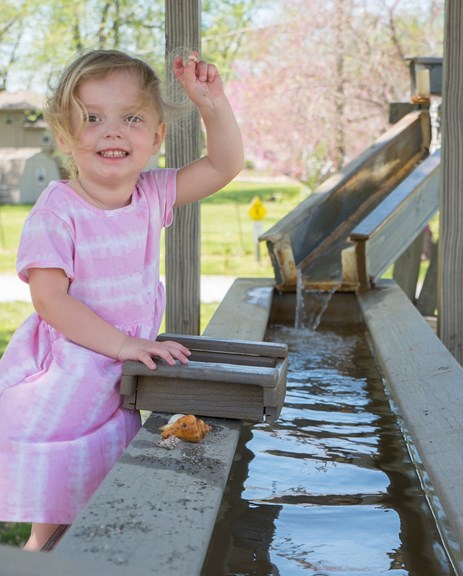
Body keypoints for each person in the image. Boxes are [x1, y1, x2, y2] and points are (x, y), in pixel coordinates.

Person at [0, 48, 243, 551]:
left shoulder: (152, 194)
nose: (112, 131)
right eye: (92, 118)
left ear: (156, 137)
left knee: (102, 513)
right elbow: (50, 301)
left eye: (131, 118)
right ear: (66, 137)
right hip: (70, 376)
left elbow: (224, 165)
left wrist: (212, 103)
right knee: (58, 522)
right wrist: (122, 343)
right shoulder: (57, 212)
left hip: (120, 370)